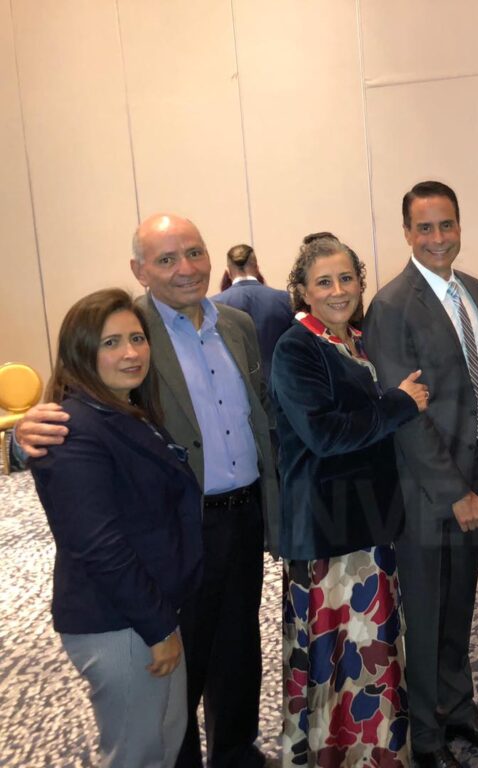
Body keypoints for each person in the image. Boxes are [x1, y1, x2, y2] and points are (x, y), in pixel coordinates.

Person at [17, 213, 278, 767]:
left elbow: (257, 415)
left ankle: (236, 752)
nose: (186, 268)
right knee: (182, 658)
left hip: (244, 511)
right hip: (181, 523)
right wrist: (24, 435)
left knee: (239, 644)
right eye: (166, 259)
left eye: (195, 252)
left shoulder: (235, 324)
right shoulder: (130, 331)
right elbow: (77, 403)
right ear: (139, 271)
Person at [363, 181, 478, 768]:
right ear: (407, 233)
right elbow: (405, 414)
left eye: (446, 224)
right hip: (428, 490)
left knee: (459, 606)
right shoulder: (391, 306)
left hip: (473, 473)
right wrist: (454, 492)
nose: (437, 237)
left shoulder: (471, 288)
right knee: (426, 614)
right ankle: (426, 737)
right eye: (424, 227)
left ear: (459, 225)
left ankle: (458, 707)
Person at [271, 233, 429, 766]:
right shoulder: (297, 347)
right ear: (302, 290)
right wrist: (399, 405)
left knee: (371, 651)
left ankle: (376, 754)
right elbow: (325, 434)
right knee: (337, 659)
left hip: (368, 523)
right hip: (327, 532)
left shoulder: (357, 340)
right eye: (324, 282)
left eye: (346, 278)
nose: (338, 290)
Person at [30, 288, 202, 767]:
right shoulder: (73, 429)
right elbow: (99, 546)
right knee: (136, 755)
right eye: (111, 343)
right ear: (81, 351)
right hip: (119, 621)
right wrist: (158, 627)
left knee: (162, 744)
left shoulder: (122, 408)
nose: (131, 353)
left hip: (146, 612)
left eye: (136, 338)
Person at [213, 244, 293, 387]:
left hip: (237, 387)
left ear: (228, 272)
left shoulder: (214, 305)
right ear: (256, 268)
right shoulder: (283, 299)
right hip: (280, 384)